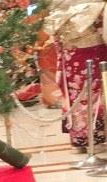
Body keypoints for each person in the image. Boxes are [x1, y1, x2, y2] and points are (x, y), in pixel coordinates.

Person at [45, 0, 107, 149]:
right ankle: (93, 138)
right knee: (94, 95)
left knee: (75, 97)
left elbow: (55, 35)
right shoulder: (96, 4)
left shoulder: (57, 4)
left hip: (70, 54)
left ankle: (79, 138)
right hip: (93, 52)